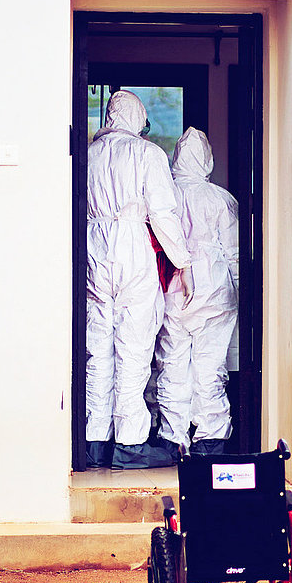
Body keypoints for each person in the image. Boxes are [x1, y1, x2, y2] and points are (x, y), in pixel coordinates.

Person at [85, 90, 193, 468]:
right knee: (133, 346)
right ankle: (129, 444)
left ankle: (95, 440)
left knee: (98, 347)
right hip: (132, 248)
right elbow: (162, 212)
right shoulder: (147, 154)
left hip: (95, 247)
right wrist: (183, 262)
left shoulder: (89, 154)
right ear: (137, 117)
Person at [153, 127, 240, 455]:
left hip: (174, 289)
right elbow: (234, 253)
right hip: (215, 293)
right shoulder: (220, 199)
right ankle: (211, 438)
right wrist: (241, 290)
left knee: (172, 362)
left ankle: (173, 437)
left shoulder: (165, 194)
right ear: (207, 159)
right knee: (209, 364)